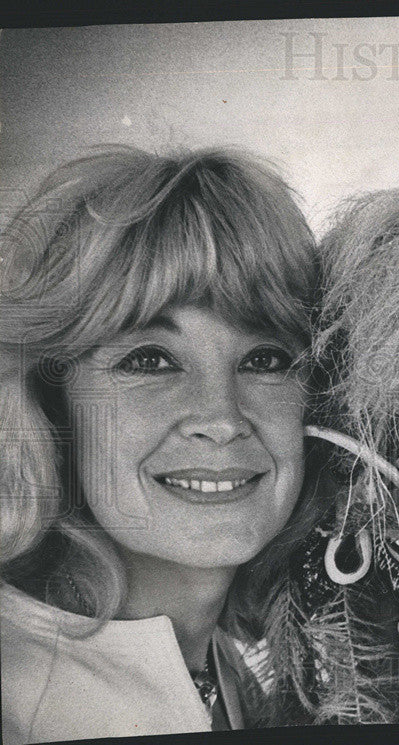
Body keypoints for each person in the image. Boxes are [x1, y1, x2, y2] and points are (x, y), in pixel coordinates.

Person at [0, 146, 323, 742]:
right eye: (150, 360)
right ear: (52, 405)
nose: (221, 419)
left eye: (265, 358)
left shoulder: (257, 680)